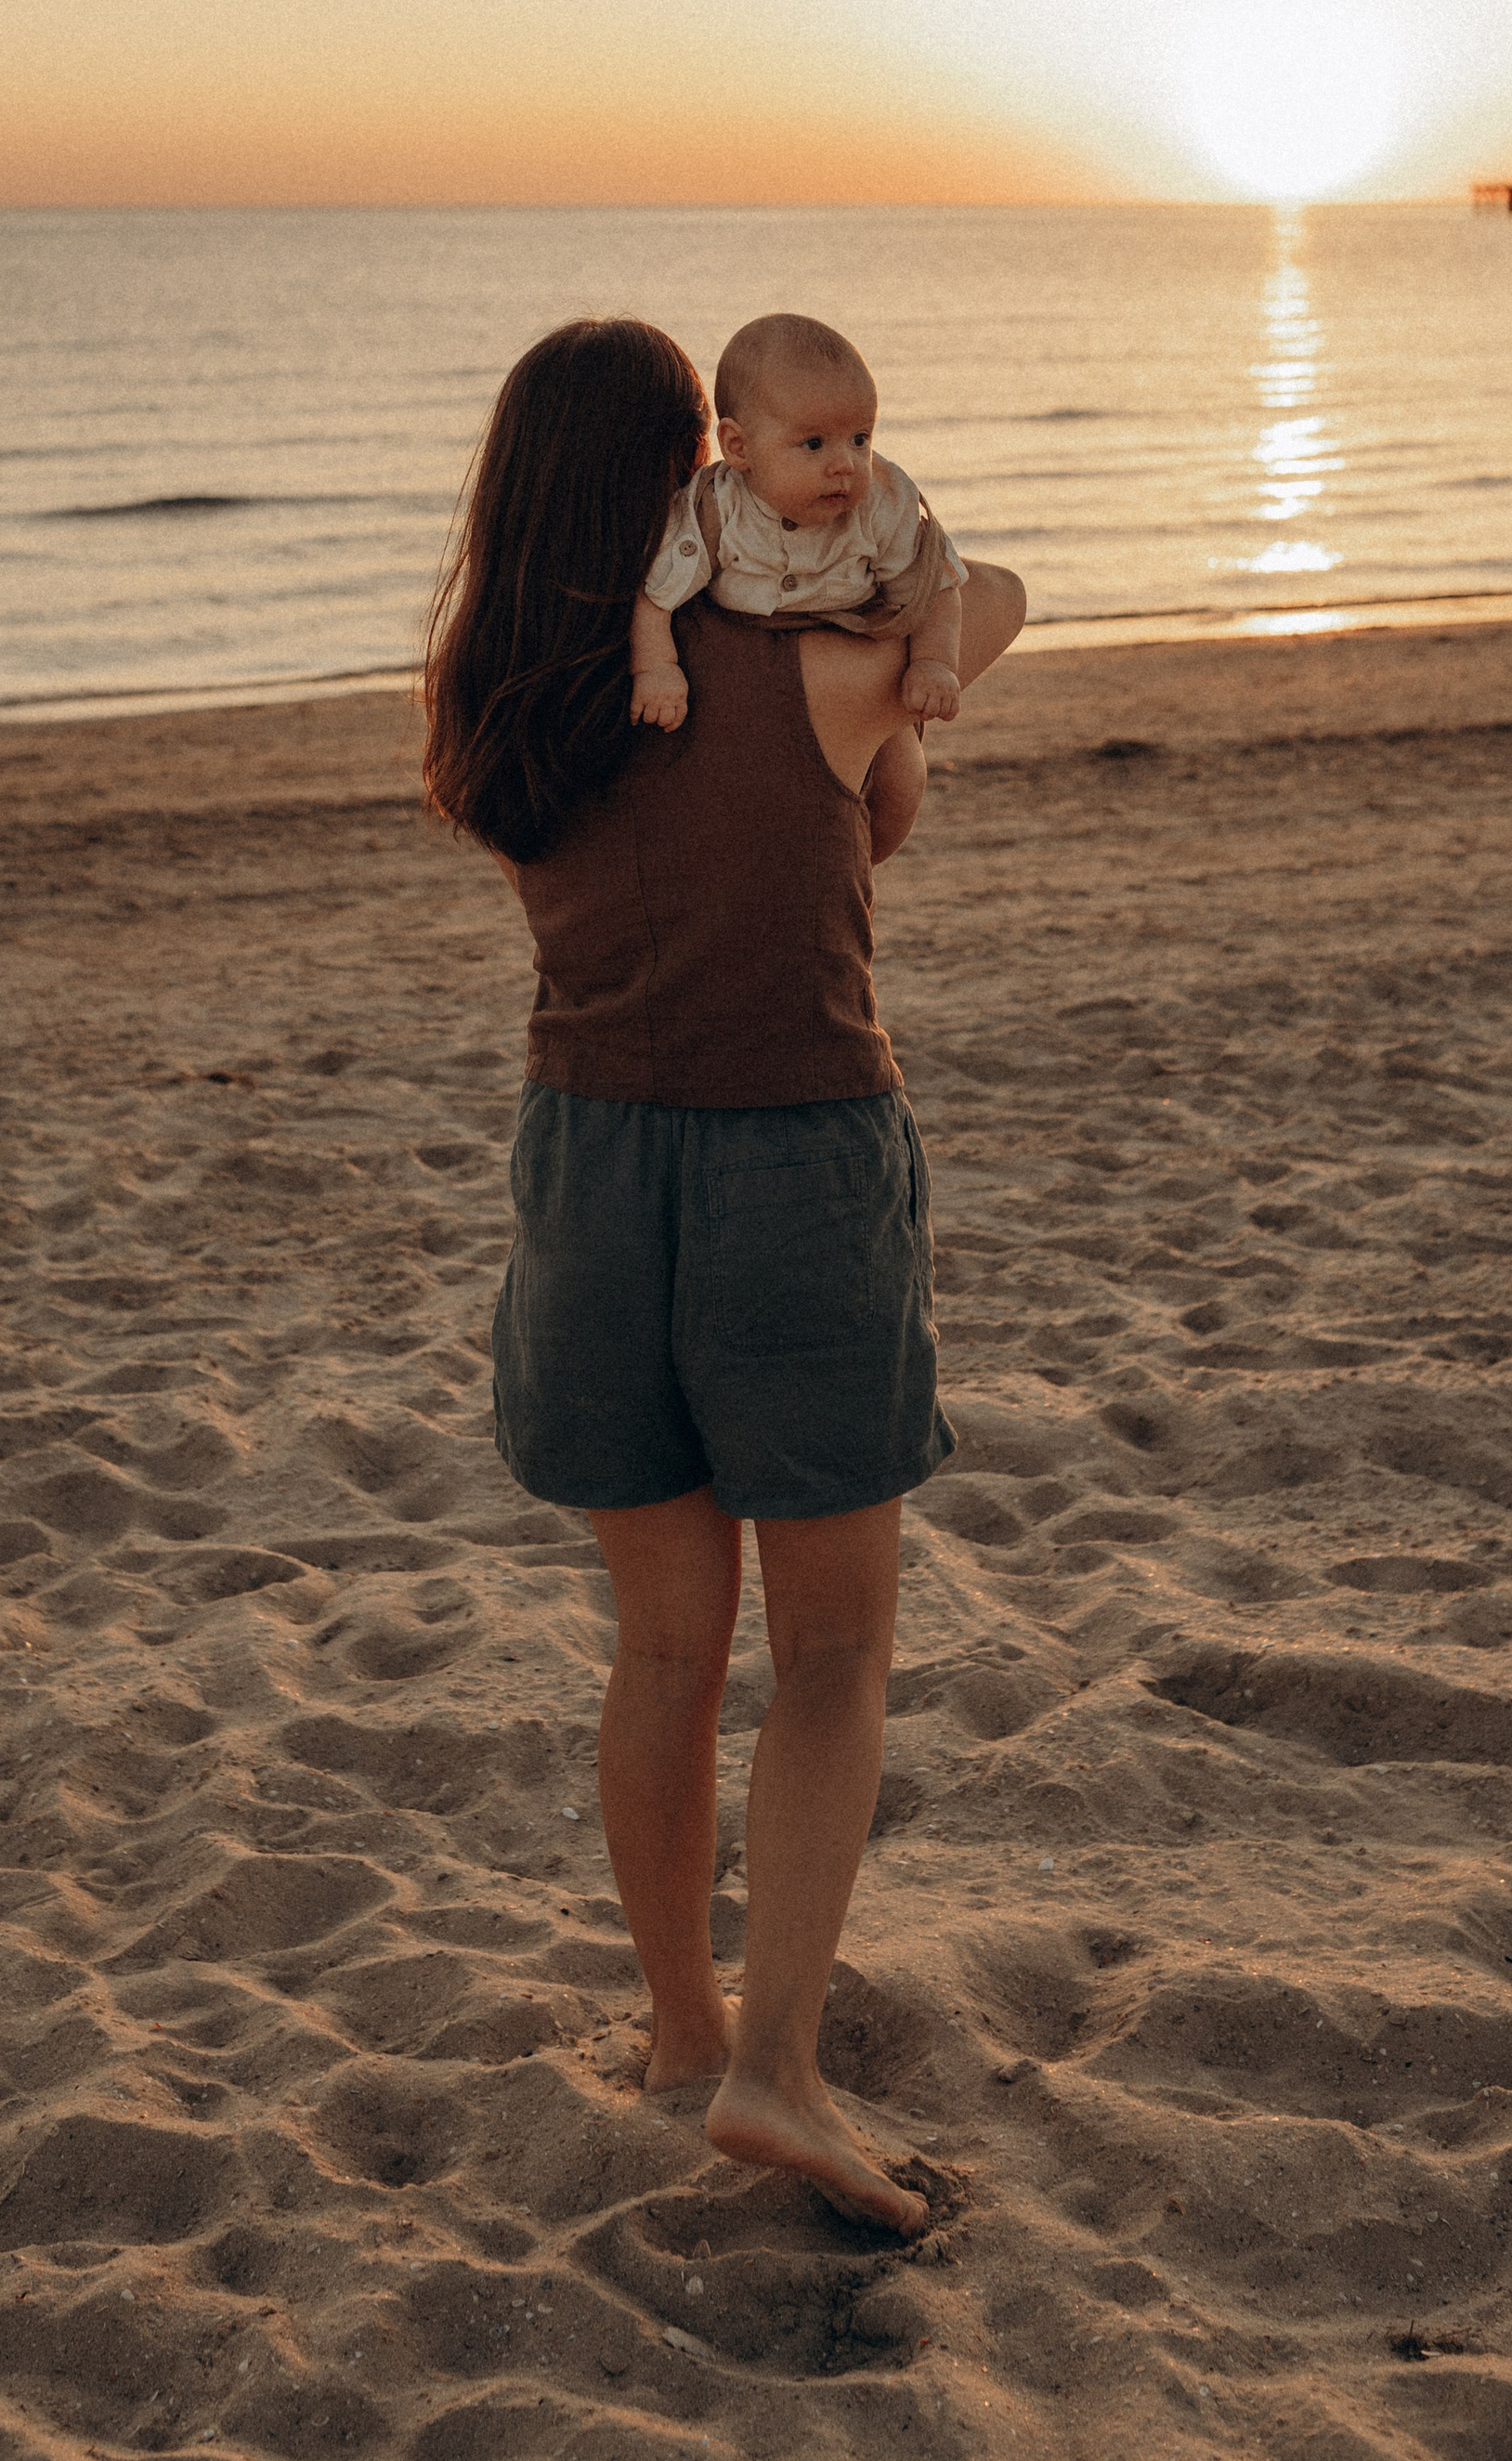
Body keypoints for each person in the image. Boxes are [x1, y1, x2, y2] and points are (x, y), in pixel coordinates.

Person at [424, 315, 1026, 2237]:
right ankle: (773, 2072)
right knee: (832, 1652)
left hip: (589, 1174)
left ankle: (681, 2027)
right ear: (689, 471)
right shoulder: (814, 670)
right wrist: (881, 581)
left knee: (662, 1651)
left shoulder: (496, 701)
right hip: (791, 1160)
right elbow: (989, 607)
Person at [627, 310, 967, 736]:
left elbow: (934, 589)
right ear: (738, 446)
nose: (844, 464)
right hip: (747, 658)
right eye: (814, 444)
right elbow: (656, 595)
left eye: (860, 438)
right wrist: (657, 669)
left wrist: (934, 663)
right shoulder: (716, 507)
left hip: (856, 648)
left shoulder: (881, 502)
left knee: (902, 775)